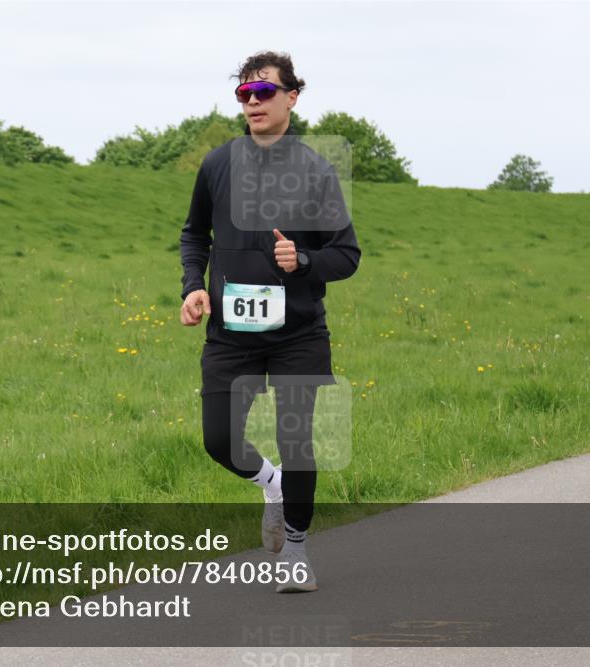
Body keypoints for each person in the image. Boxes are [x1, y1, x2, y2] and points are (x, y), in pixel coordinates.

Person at [179, 51, 360, 593]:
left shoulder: (315, 170)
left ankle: (297, 552)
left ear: (291, 98)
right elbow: (194, 235)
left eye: (264, 93)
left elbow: (346, 254)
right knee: (219, 441)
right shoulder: (217, 165)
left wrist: (303, 262)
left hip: (298, 334)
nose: (253, 102)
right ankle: (271, 485)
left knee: (297, 438)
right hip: (231, 333)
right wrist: (192, 286)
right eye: (244, 94)